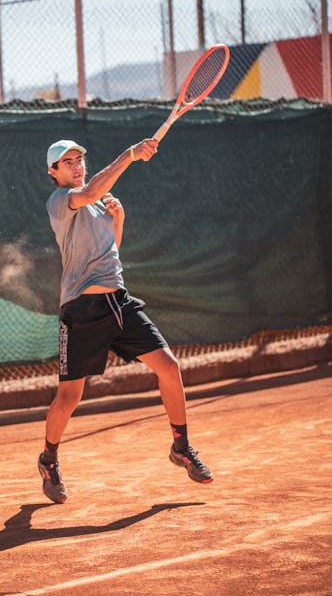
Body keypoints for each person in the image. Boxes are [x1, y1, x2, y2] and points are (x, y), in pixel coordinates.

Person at [38, 138, 213, 503]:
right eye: (67, 162)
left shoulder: (99, 203)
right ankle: (49, 459)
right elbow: (88, 193)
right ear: (53, 172)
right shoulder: (61, 201)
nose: (76, 165)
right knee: (70, 397)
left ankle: (181, 446)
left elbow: (109, 251)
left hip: (118, 304)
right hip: (81, 312)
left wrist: (118, 220)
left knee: (168, 366)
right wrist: (130, 155)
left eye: (79, 159)